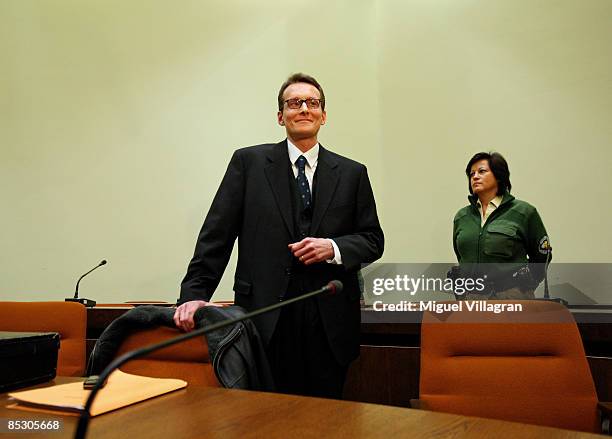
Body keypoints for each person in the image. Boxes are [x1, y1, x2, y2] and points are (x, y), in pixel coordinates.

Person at [174, 73, 384, 398]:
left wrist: (333, 247)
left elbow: (373, 239)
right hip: (264, 319)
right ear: (280, 116)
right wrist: (193, 293)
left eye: (312, 103)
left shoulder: (353, 173)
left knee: (324, 423)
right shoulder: (249, 163)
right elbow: (217, 234)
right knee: (261, 421)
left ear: (323, 115)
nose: (303, 108)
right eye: (293, 103)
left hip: (328, 323)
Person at [452, 152, 551, 299]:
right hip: (472, 299)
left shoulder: (523, 212)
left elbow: (542, 255)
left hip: (512, 297)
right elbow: (462, 257)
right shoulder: (462, 217)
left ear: (498, 176)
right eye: (471, 174)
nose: (475, 176)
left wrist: (523, 286)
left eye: (482, 171)